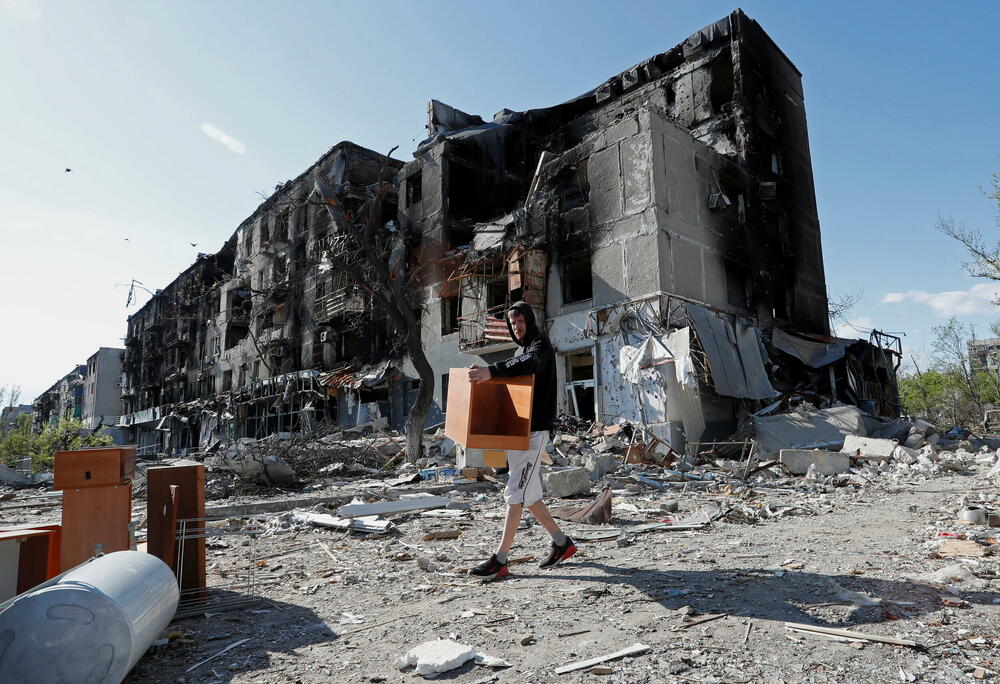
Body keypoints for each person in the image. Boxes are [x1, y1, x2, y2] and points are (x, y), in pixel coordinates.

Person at [466, 301, 576, 580]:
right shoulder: (520, 350)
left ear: (530, 320)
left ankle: (500, 560)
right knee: (530, 495)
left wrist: (492, 370)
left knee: (515, 493)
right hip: (519, 432)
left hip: (535, 431)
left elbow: (530, 363)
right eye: (512, 324)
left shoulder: (540, 346)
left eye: (521, 322)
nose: (517, 327)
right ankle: (562, 543)